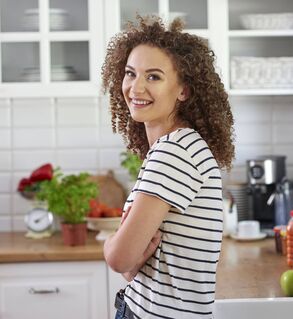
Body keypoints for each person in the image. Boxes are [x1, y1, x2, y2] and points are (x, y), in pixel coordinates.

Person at [101, 15, 235, 319]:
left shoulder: (175, 152)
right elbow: (133, 269)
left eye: (153, 77)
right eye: (130, 73)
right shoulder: (175, 147)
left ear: (183, 90)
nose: (135, 87)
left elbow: (121, 259)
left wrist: (112, 245)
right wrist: (129, 256)